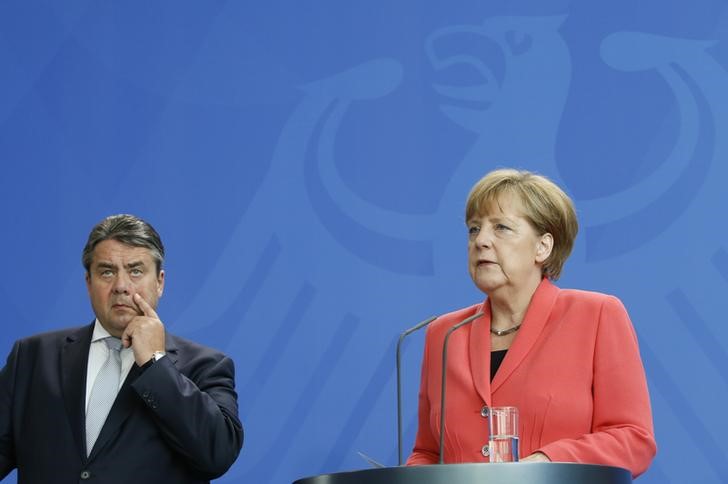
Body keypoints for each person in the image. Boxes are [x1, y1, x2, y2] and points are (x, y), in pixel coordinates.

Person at [406, 169, 656, 477]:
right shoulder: (443, 334)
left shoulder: (597, 315)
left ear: (543, 247)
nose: (481, 241)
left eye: (501, 228)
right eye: (474, 229)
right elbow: (427, 453)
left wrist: (542, 465)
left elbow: (632, 438)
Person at [0, 214, 243, 483]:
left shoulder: (205, 365)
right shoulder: (32, 357)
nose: (121, 287)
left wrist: (155, 364)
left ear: (160, 282)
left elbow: (217, 453)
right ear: (88, 283)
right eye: (107, 271)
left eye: (136, 271)